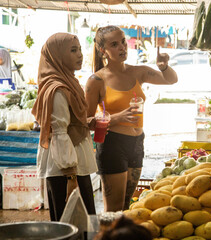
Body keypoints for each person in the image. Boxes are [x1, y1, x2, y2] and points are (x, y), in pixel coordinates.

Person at [85, 25, 178, 211]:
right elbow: (86, 122)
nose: (122, 47)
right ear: (103, 50)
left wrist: (164, 66)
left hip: (136, 143)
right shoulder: (96, 81)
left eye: (123, 41)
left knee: (127, 207)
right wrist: (116, 118)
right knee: (114, 210)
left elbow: (171, 80)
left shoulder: (138, 72)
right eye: (114, 44)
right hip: (112, 144)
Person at [32, 33, 98, 221]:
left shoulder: (69, 83)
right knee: (70, 225)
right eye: (73, 50)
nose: (80, 55)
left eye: (80, 49)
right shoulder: (57, 89)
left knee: (81, 223)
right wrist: (71, 178)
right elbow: (59, 132)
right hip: (66, 170)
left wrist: (86, 122)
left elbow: (68, 123)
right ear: (57, 55)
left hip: (73, 166)